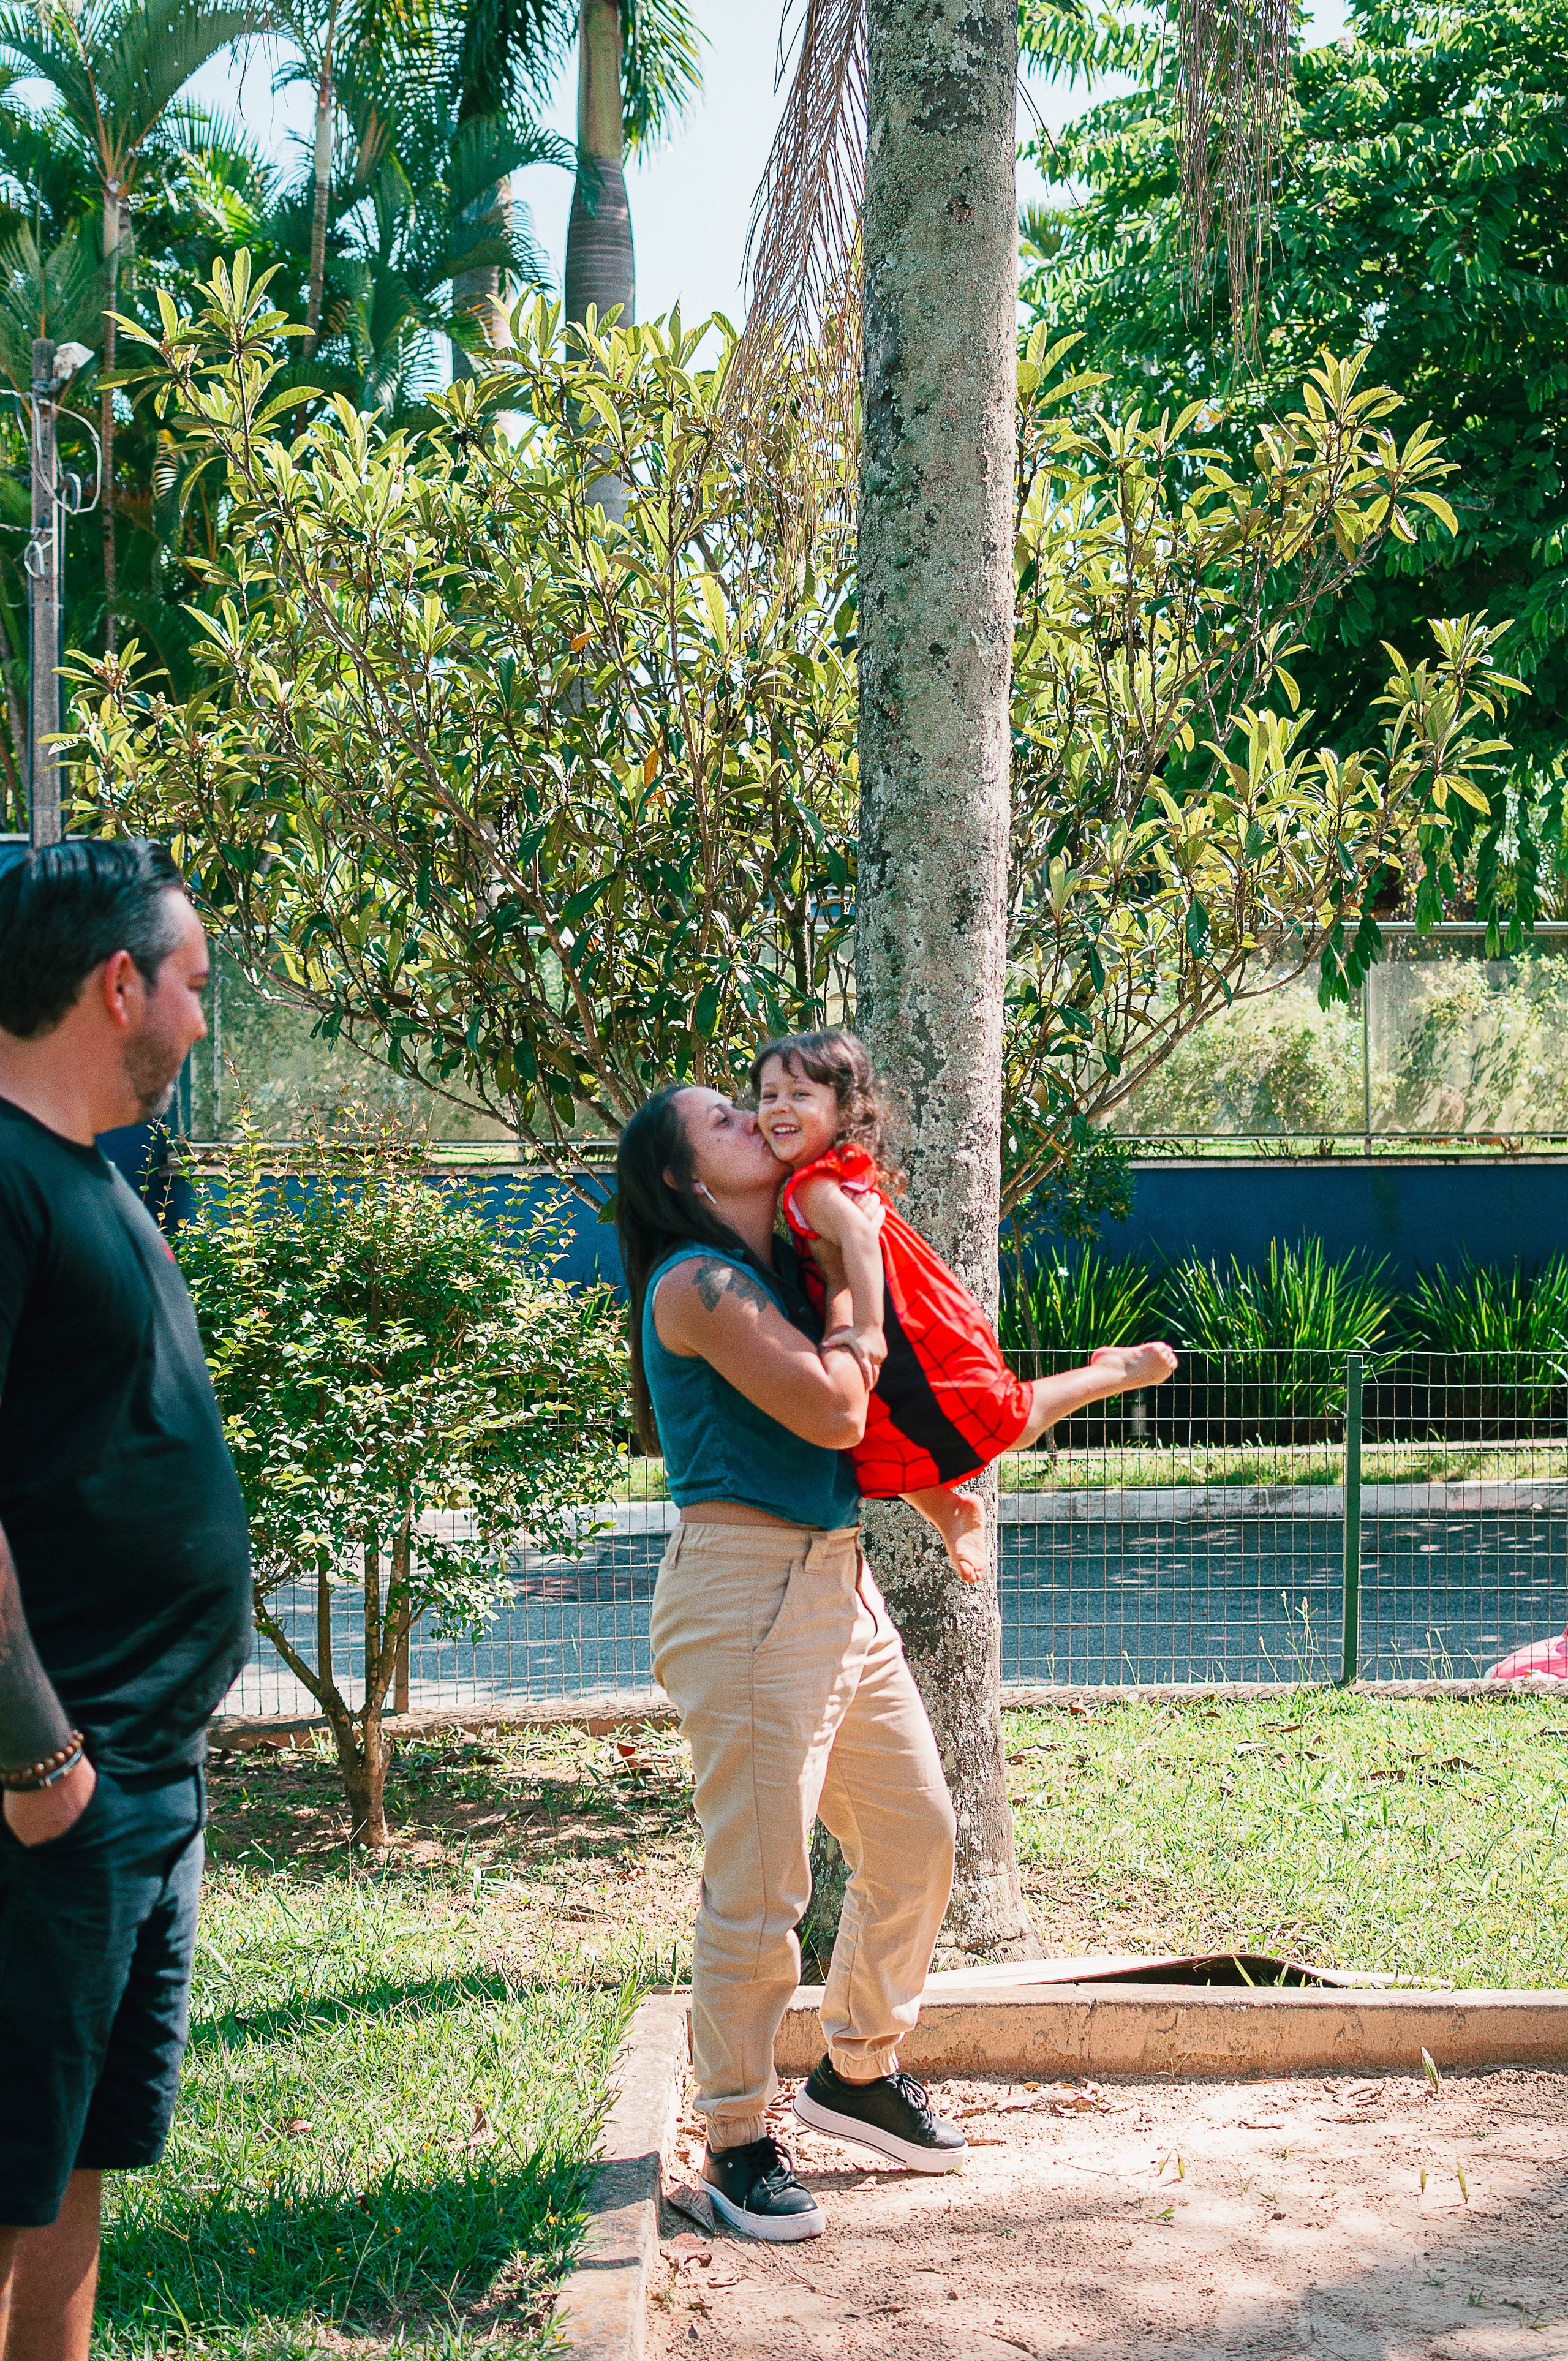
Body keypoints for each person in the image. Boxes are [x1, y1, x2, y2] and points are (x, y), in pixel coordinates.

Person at [616, 1082, 968, 2243]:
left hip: (836, 1583)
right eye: (721, 1122)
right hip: (745, 1593)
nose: (751, 1121)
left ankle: (856, 2069)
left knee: (917, 1838)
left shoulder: (783, 1270)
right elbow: (831, 1410)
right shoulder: (699, 1285)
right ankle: (732, 2141)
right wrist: (861, 1259)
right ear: (685, 1182)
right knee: (763, 1891)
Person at [0, 840, 253, 2361]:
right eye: (194, 983)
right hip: (57, 1790)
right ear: (119, 984)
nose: (200, 1020)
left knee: (70, 2165)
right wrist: (37, 1761)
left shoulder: (83, 1172)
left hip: (142, 1778)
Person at [753, 1027, 1179, 1580]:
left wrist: (869, 1330)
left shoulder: (810, 1186)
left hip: (904, 1319)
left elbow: (859, 1238)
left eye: (800, 1094)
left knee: (1006, 1419)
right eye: (768, 1096)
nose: (779, 1107)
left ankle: (1112, 1370)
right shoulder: (812, 1178)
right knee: (879, 1438)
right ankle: (953, 1509)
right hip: (886, 1313)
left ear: (843, 1111)